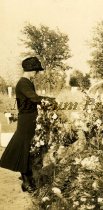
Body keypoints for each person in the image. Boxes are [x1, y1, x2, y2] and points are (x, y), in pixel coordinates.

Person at [0, 57, 46, 193]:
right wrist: (48, 100)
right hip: (26, 120)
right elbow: (33, 98)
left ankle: (28, 180)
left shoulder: (26, 82)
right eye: (36, 71)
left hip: (30, 118)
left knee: (29, 148)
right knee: (24, 149)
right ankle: (26, 182)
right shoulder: (23, 83)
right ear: (31, 70)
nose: (37, 74)